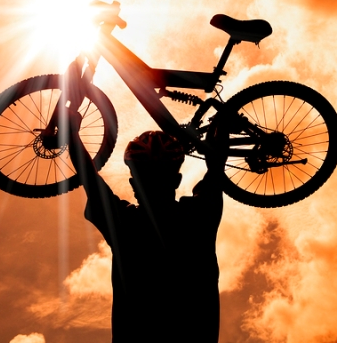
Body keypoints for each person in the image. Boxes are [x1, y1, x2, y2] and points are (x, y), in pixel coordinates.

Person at [66, 108, 226, 343]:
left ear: (133, 184)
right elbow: (217, 162)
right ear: (177, 180)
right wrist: (223, 122)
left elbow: (89, 176)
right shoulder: (199, 216)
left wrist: (70, 131)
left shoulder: (124, 222)